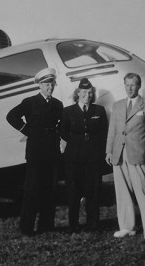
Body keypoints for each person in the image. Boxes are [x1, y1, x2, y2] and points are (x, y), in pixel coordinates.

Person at [6, 67, 63, 236]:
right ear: (39, 85)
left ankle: (46, 225)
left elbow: (62, 123)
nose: (49, 87)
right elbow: (11, 116)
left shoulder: (58, 104)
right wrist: (27, 130)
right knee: (32, 189)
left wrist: (58, 132)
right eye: (46, 84)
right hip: (35, 152)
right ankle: (27, 227)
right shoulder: (29, 102)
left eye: (51, 84)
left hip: (52, 151)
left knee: (50, 189)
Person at [105, 73, 145, 243]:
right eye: (127, 85)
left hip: (137, 153)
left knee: (142, 192)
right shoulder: (118, 105)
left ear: (138, 86)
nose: (129, 88)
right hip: (118, 153)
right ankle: (127, 227)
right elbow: (112, 130)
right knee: (122, 192)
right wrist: (109, 151)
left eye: (133, 85)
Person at [60, 78, 108, 233]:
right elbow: (63, 132)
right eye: (84, 92)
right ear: (78, 93)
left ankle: (93, 224)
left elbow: (103, 133)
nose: (87, 95)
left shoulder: (99, 111)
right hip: (73, 158)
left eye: (90, 92)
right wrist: (76, 143)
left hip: (93, 158)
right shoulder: (68, 111)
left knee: (93, 191)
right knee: (73, 192)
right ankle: (73, 225)